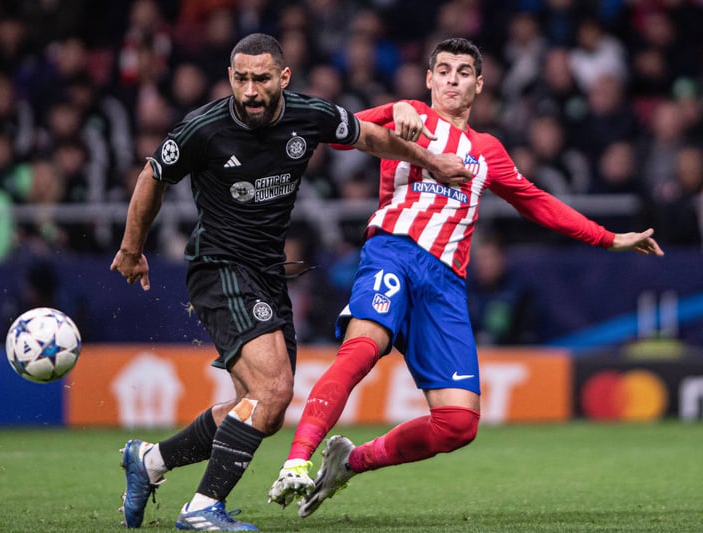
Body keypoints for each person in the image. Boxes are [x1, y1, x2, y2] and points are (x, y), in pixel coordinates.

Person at [267, 37, 664, 519]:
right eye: (443, 70)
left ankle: (350, 463)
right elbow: (334, 134)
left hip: (445, 286)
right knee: (362, 350)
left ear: (479, 84)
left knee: (458, 424)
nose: (452, 79)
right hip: (393, 253)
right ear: (429, 79)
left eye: (463, 72)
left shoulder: (487, 150)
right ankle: (296, 460)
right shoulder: (410, 115)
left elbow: (537, 202)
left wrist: (608, 237)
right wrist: (391, 111)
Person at [109, 32, 471, 531]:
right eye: (240, 79)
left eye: (261, 79)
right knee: (274, 390)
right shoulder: (203, 128)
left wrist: (431, 161)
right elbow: (153, 175)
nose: (250, 91)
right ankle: (202, 508)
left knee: (261, 408)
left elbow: (370, 137)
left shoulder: (309, 115)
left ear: (283, 77)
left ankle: (149, 461)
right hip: (220, 268)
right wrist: (132, 249)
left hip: (268, 275)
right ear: (230, 77)